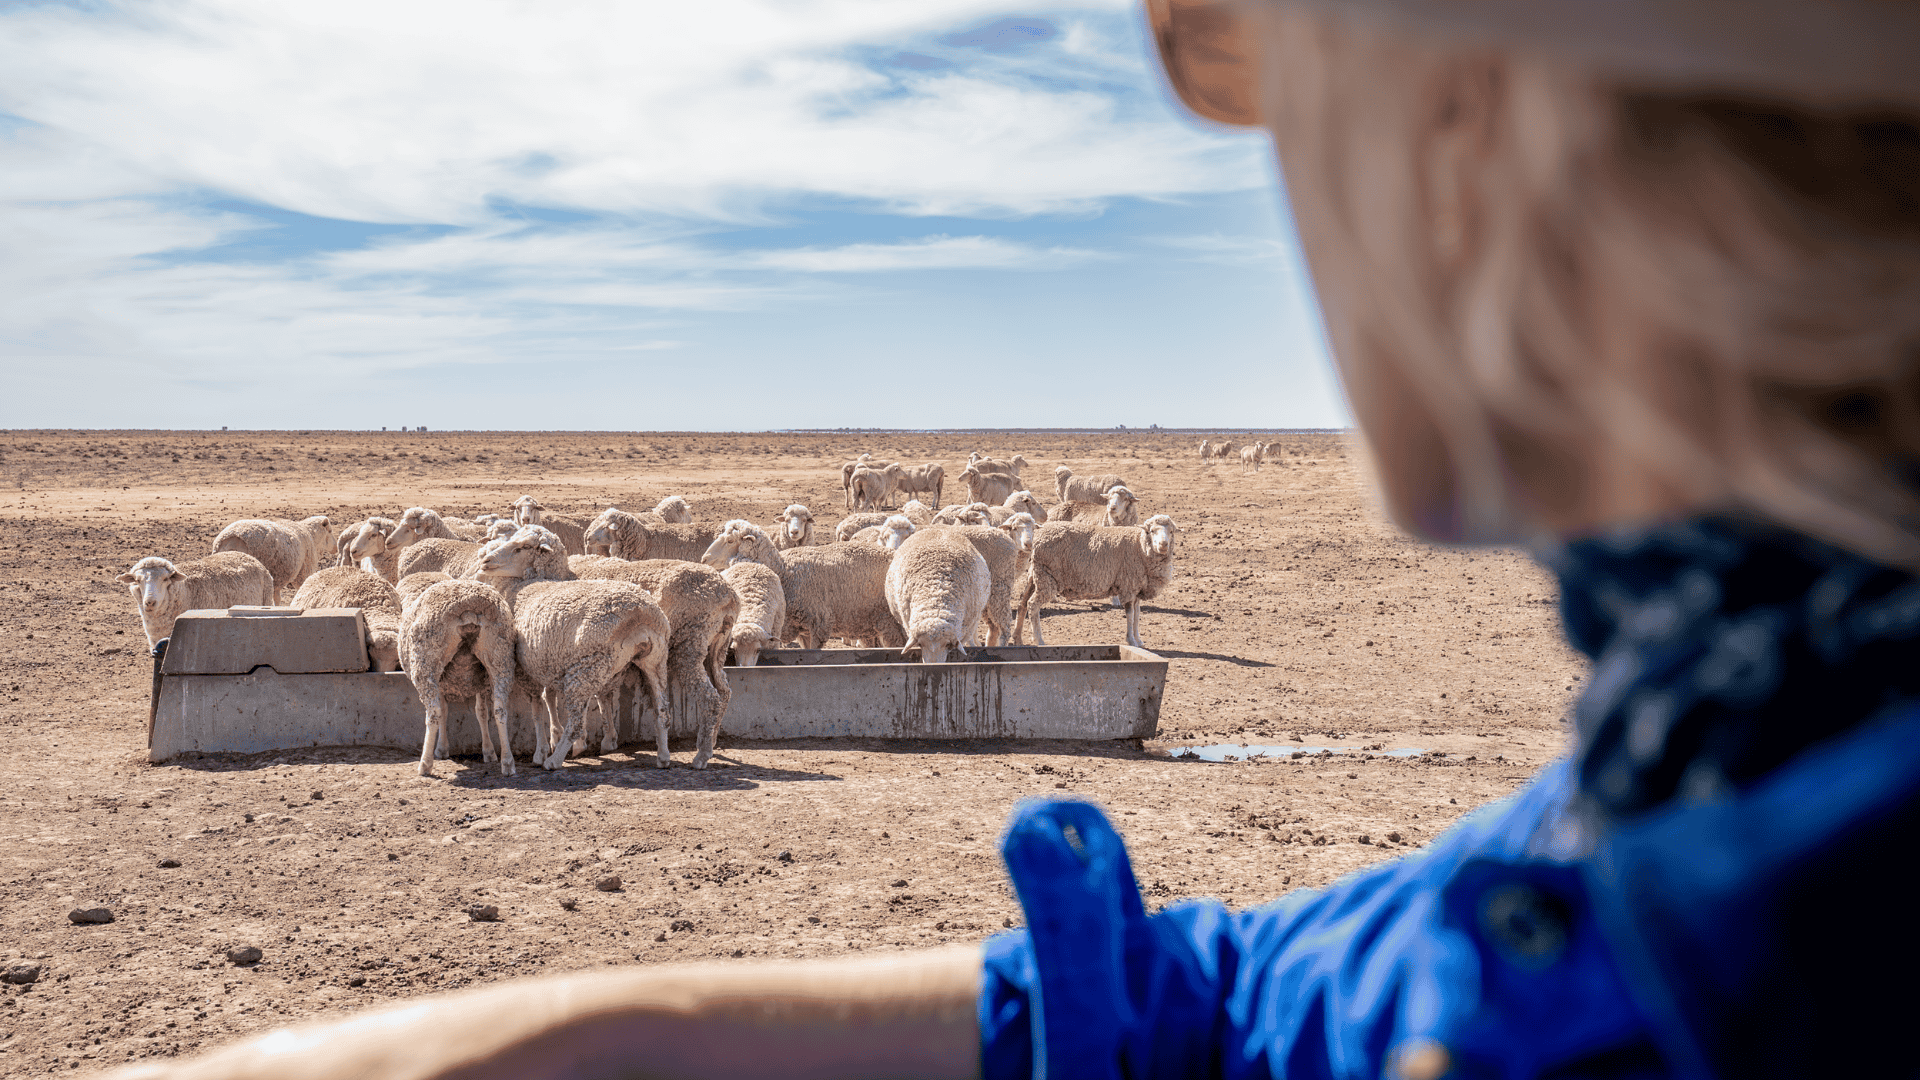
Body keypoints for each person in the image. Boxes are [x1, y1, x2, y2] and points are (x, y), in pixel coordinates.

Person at [118, 2, 1920, 1078]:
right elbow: (1232, 1012)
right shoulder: (1710, 791)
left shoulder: (1738, 934)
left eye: (1262, 61)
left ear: (1474, 129)